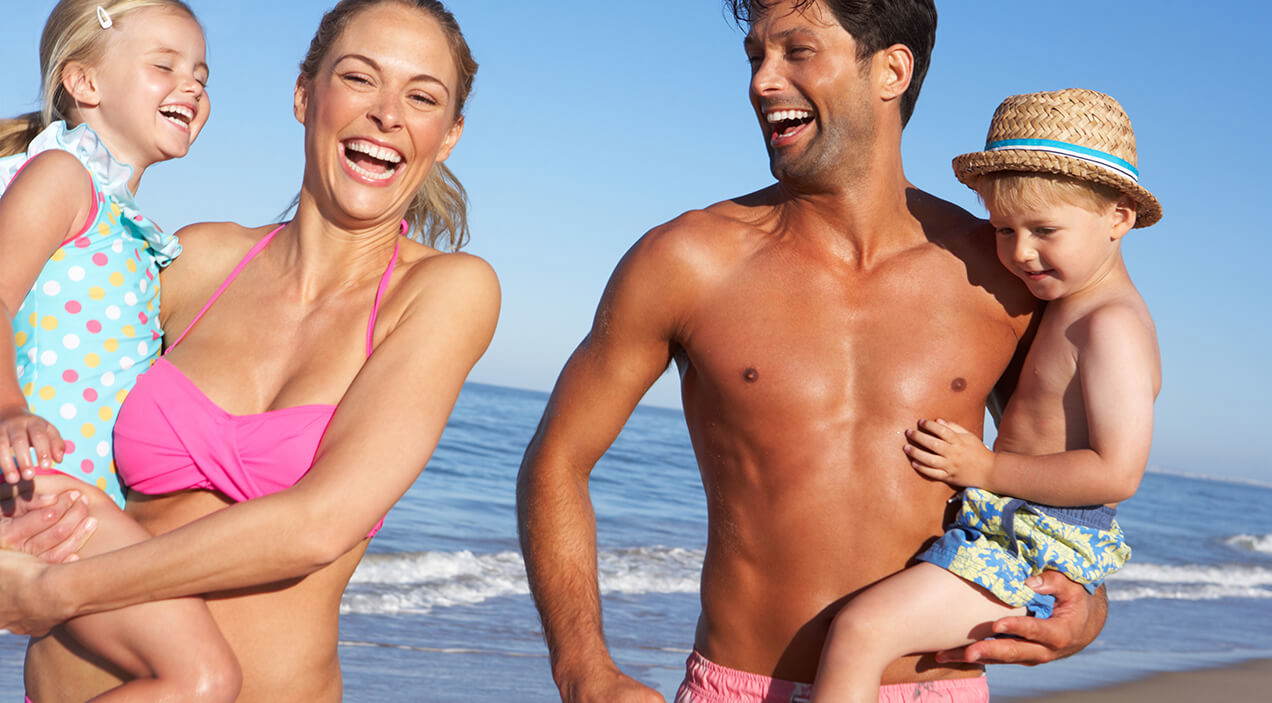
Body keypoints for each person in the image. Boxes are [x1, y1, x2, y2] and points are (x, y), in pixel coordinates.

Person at [517, 2, 1109, 702]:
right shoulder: (686, 261)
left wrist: (1087, 603)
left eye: (797, 51)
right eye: (754, 56)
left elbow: (1061, 476)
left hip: (934, 689)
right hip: (740, 687)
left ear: (891, 70)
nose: (762, 82)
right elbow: (557, 460)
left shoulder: (999, 277)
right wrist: (584, 668)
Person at [0, 1, 499, 701]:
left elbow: (317, 523)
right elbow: (42, 344)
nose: (388, 113)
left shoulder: (447, 293)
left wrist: (54, 589)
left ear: (447, 136)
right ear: (305, 94)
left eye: (422, 97)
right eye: (360, 79)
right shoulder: (193, 258)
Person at [808, 89, 1160, 702]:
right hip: (1008, 524)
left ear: (1119, 218)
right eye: (1004, 229)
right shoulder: (1063, 308)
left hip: (1035, 537)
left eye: (1044, 230)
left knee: (861, 632)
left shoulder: (1111, 326)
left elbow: (1118, 473)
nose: (1020, 252)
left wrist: (986, 467)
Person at [0, 2, 241, 701]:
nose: (191, 86)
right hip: (39, 485)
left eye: (201, 73)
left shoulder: (128, 224)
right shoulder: (61, 178)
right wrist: (8, 409)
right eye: (163, 65)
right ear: (84, 81)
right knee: (202, 677)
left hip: (75, 493)